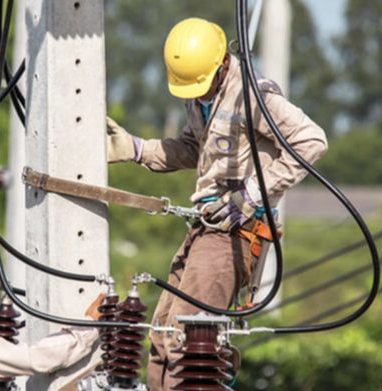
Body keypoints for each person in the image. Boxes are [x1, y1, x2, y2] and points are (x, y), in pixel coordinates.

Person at [106, 17, 328, 389]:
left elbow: (312, 141)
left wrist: (253, 193)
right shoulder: (200, 99)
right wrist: (138, 149)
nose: (200, 94)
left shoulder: (255, 95)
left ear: (224, 63)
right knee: (162, 333)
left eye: (205, 86)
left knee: (187, 339)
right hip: (208, 227)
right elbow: (195, 149)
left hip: (237, 233)